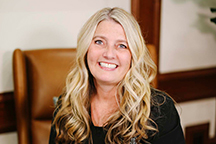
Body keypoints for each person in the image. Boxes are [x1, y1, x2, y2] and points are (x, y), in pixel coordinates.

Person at [49, 7, 185, 144]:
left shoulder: (159, 109)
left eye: (121, 46)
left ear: (133, 56)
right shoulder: (66, 105)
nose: (109, 54)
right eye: (99, 42)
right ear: (86, 49)